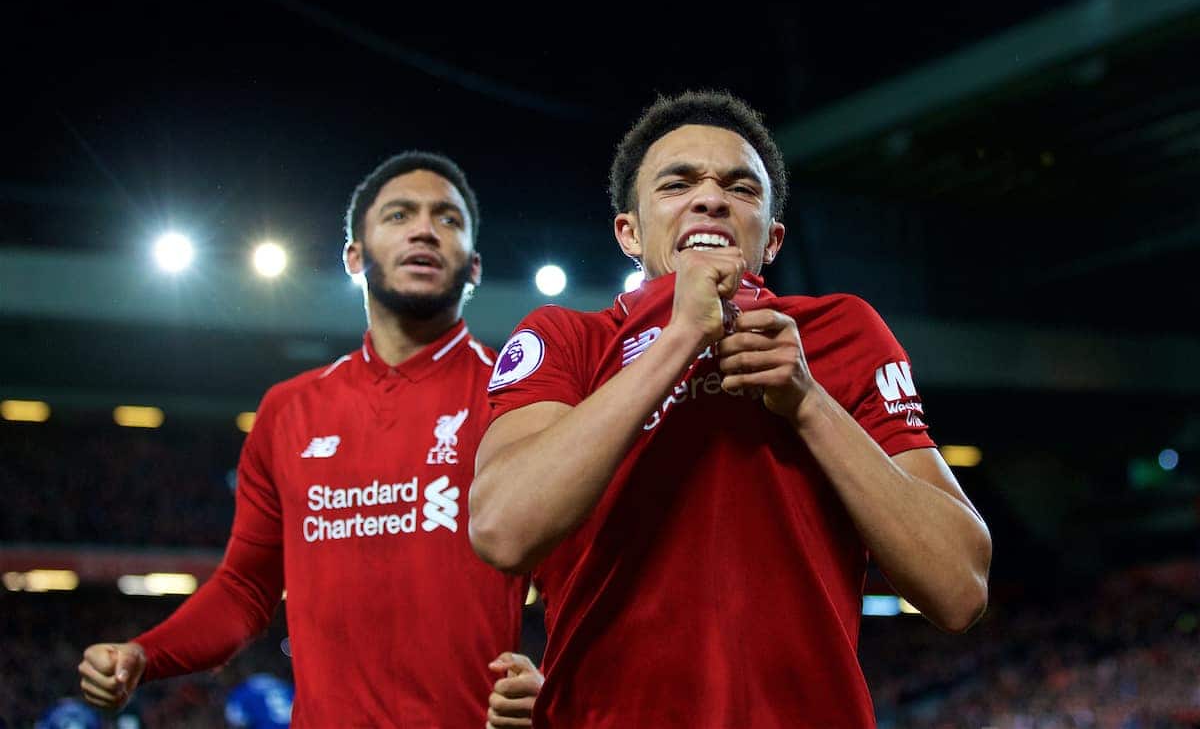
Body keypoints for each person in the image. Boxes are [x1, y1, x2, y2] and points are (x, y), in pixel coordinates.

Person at [469, 92, 993, 728]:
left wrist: (808, 400)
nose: (711, 197)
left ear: (771, 238)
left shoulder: (841, 333)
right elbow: (502, 528)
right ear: (629, 230)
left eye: (741, 188)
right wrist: (681, 336)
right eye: (678, 182)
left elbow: (960, 587)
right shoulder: (568, 339)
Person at [79, 151, 539, 727]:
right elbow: (246, 589)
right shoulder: (288, 409)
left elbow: (579, 580)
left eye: (447, 219)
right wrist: (143, 655)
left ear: (473, 264)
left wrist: (554, 684)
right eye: (399, 215)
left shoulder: (517, 399)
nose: (424, 228)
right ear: (354, 255)